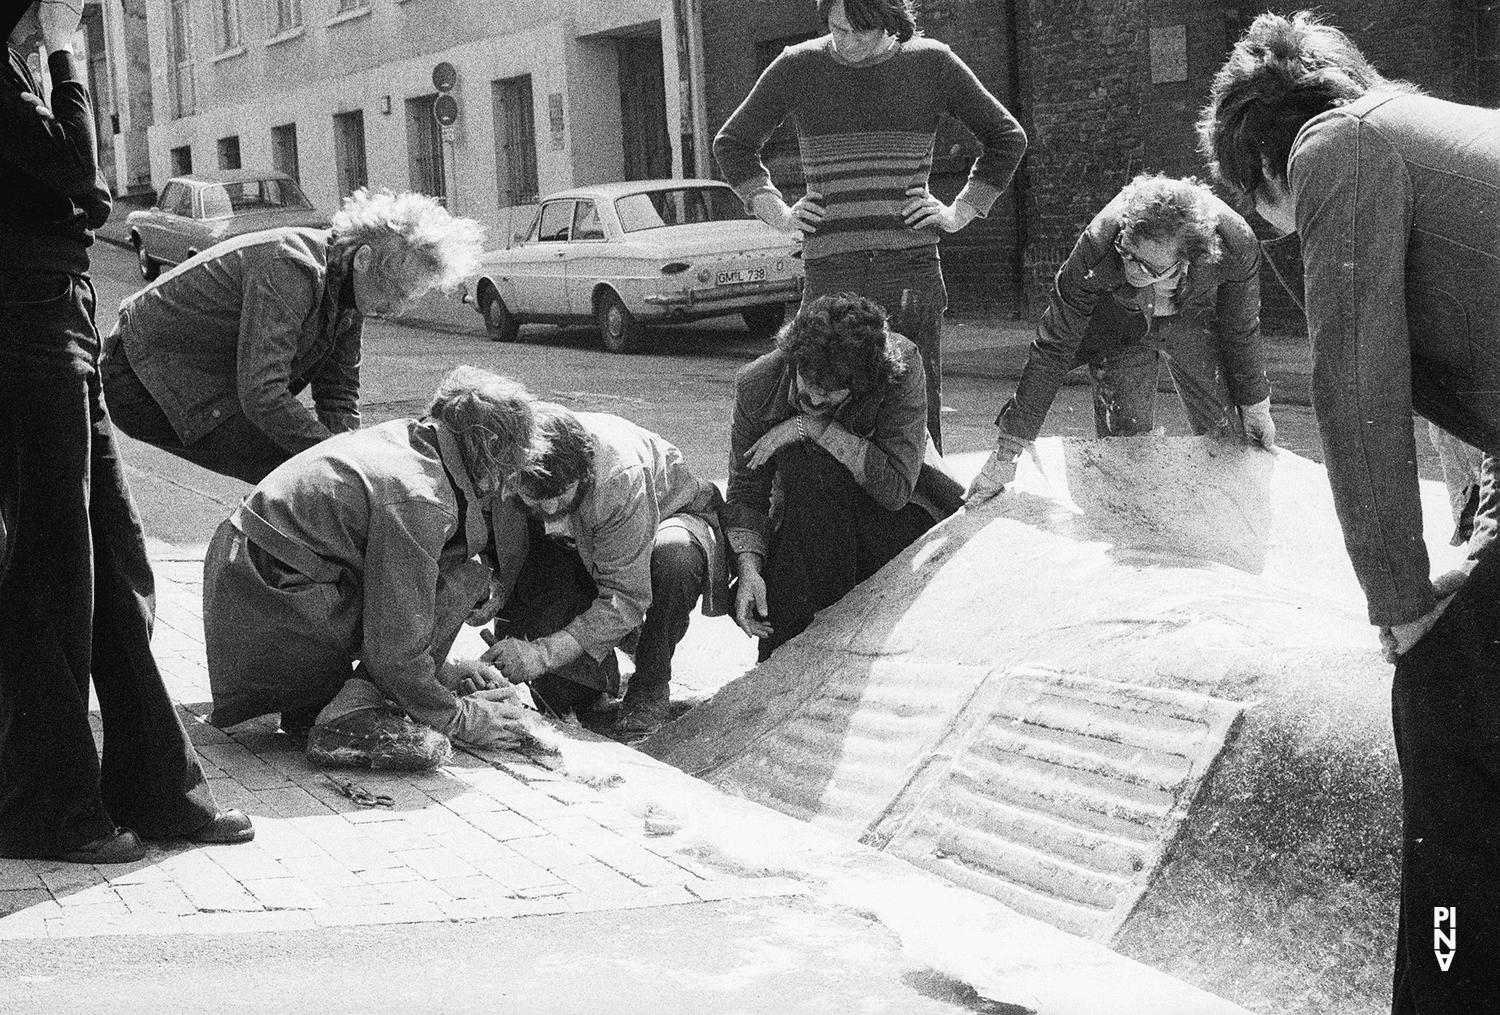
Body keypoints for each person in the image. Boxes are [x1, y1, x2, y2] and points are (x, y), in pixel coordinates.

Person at [1201, 12, 1500, 1011]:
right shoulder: (1427, 131)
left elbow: (1357, 377)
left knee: (1448, 694)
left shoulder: (1341, 146)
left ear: (1259, 172)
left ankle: (1449, 993)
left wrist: (1402, 600)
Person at [1, 0, 249, 863]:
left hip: (58, 318)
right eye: (52, 12)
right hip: (20, 329)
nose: (57, 27)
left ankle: (155, 788)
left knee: (117, 562)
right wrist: (67, 52)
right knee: (51, 571)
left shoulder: (12, 68)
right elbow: (82, 174)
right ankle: (48, 806)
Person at [713, 0, 1027, 452]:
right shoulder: (798, 66)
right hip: (831, 273)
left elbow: (1006, 137)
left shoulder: (933, 63)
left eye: (862, 32)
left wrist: (959, 211)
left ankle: (917, 514)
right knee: (818, 403)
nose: (847, 42)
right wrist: (777, 212)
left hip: (910, 271)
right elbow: (733, 143)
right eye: (838, 29)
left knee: (914, 415)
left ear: (891, 22)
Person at [202, 367, 539, 769]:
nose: (507, 483)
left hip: (255, 589)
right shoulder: (421, 496)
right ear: (489, 446)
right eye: (512, 463)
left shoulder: (415, 441)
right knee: (462, 581)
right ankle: (347, 715)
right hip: (269, 602)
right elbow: (394, 642)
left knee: (457, 575)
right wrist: (456, 716)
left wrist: (440, 672)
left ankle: (336, 695)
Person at [100, 188, 483, 483]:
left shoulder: (350, 284)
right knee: (300, 471)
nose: (396, 308)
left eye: (408, 299)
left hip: (184, 377)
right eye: (396, 292)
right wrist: (342, 459)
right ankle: (274, 573)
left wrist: (352, 456)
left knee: (320, 470)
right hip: (137, 376)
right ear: (364, 259)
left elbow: (338, 394)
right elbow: (262, 394)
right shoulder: (292, 267)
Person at [966, 173, 1276, 501]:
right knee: (1125, 460)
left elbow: (1240, 328)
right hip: (1120, 324)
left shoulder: (1235, 244)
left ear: (1185, 262)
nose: (1130, 268)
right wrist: (1006, 454)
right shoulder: (1097, 248)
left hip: (1191, 319)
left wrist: (1256, 405)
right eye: (1127, 253)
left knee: (1229, 446)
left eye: (1146, 267)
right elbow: (1054, 346)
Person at [726, 293, 959, 660]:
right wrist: (749, 568)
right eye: (808, 385)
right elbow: (745, 490)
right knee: (803, 479)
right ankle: (787, 660)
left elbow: (897, 488)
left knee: (812, 466)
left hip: (891, 517)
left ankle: (803, 649)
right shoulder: (757, 383)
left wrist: (815, 429)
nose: (815, 401)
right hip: (812, 517)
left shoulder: (901, 367)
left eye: (830, 394)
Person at [481, 404, 728, 739]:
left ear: (583, 474)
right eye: (536, 500)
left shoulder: (617, 477)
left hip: (666, 522)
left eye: (558, 496)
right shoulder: (511, 462)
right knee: (566, 696)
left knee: (675, 559)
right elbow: (497, 542)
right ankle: (615, 652)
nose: (550, 510)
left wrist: (541, 654)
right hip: (589, 551)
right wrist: (492, 585)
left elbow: (625, 597)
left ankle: (651, 683)